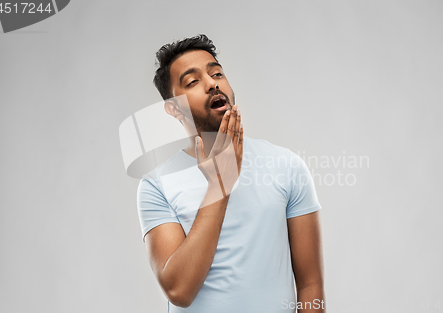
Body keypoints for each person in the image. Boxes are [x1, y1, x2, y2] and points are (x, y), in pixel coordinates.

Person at [137, 34, 326, 312]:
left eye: (217, 73)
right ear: (174, 109)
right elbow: (179, 290)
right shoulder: (156, 185)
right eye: (192, 81)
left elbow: (311, 285)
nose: (212, 83)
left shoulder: (287, 165)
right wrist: (218, 186)